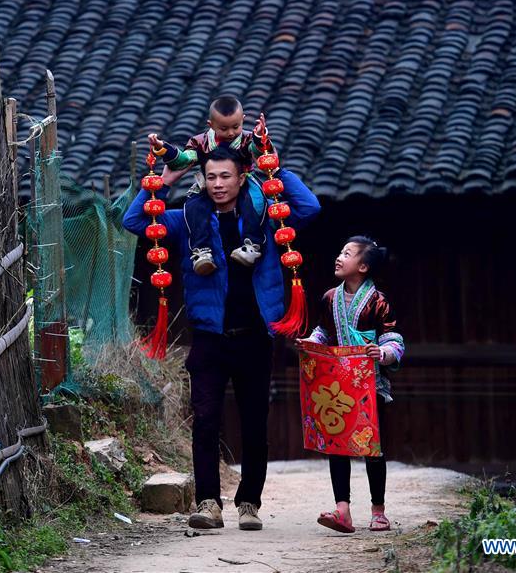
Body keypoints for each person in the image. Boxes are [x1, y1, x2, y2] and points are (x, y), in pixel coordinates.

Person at [123, 143, 320, 531]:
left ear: (241, 177)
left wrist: (273, 171)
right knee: (206, 420)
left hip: (255, 337)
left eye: (225, 176)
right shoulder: (187, 220)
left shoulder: (265, 219)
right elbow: (134, 222)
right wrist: (165, 180)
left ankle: (249, 502)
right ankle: (208, 503)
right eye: (210, 176)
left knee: (254, 423)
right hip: (210, 338)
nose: (217, 184)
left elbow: (310, 208)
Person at [299, 237, 405, 533]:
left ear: (363, 266)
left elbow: (393, 339)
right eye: (340, 251)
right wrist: (309, 343)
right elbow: (323, 331)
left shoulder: (378, 301)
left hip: (370, 383)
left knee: (373, 448)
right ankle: (342, 510)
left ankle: (378, 510)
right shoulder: (329, 298)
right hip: (336, 384)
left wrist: (382, 353)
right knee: (337, 445)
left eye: (346, 253)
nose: (339, 257)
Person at [147, 96, 269, 275]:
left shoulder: (248, 139)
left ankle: (252, 245)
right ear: (210, 125)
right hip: (207, 186)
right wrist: (163, 147)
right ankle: (201, 251)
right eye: (224, 128)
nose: (230, 133)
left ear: (243, 120)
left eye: (236, 127)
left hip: (243, 182)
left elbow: (259, 153)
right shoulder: (200, 142)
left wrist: (259, 137)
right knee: (193, 206)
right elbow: (184, 160)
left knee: (256, 201)